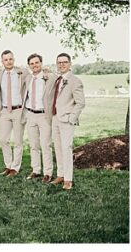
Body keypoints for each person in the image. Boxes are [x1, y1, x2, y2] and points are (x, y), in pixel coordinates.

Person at [48, 53, 85, 190]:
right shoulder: (57, 79)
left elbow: (81, 103)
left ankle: (68, 179)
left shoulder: (75, 81)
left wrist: (71, 118)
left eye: (64, 62)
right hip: (55, 118)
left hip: (67, 120)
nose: (61, 64)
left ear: (70, 64)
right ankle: (61, 174)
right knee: (57, 147)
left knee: (66, 148)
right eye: (59, 62)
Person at [0, 50, 27, 177]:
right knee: (3, 139)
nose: (9, 61)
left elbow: (35, 76)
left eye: (10, 59)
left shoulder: (22, 73)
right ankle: (8, 165)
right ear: (2, 61)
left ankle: (15, 167)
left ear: (14, 59)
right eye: (6, 59)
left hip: (18, 110)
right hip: (4, 111)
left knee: (18, 140)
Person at [23, 54, 55, 182]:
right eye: (32, 63)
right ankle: (36, 170)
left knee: (45, 144)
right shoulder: (28, 78)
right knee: (33, 145)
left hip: (44, 115)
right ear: (29, 66)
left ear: (41, 63)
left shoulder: (49, 77)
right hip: (30, 114)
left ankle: (48, 172)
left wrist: (49, 72)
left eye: (37, 63)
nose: (35, 65)